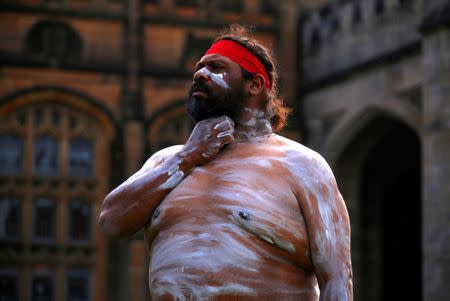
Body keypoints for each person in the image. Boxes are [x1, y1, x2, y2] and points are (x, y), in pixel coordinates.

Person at [99, 25, 353, 301]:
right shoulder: (168, 160)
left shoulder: (302, 166)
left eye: (216, 68)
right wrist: (188, 157)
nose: (200, 74)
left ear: (255, 85)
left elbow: (337, 280)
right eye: (199, 67)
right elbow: (112, 222)